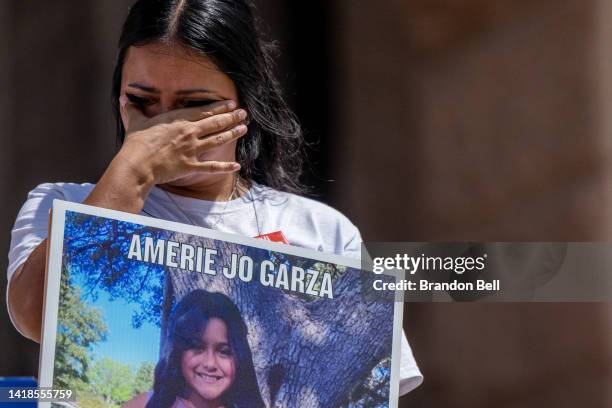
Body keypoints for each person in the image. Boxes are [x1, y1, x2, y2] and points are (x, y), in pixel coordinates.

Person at [7, 0, 422, 396]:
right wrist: (132, 170)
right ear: (118, 98)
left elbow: (368, 382)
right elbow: (38, 315)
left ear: (245, 103)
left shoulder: (322, 231)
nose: (166, 126)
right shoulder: (62, 206)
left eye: (195, 105)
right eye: (142, 102)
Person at [124, 290, 264, 408]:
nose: (210, 364)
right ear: (179, 352)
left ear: (239, 356)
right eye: (197, 347)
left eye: (224, 352)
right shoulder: (142, 404)